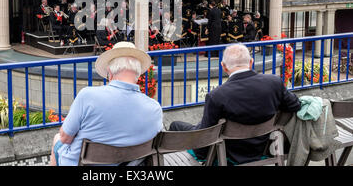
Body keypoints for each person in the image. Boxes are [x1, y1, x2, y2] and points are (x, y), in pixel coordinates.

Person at [168, 44, 301, 165]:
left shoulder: (216, 95)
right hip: (262, 148)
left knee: (176, 125)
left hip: (228, 153)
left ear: (224, 66)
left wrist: (200, 154)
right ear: (251, 62)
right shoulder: (274, 83)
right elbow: (295, 105)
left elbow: (205, 137)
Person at [50, 42, 163, 166]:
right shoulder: (155, 108)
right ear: (138, 73)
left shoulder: (88, 96)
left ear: (110, 72)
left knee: (57, 139)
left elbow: (65, 138)